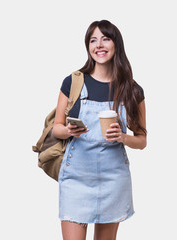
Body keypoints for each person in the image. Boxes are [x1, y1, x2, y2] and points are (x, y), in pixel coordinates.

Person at [53, 20, 147, 240]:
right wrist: (68, 131)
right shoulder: (73, 82)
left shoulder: (132, 89)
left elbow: (142, 140)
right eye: (93, 40)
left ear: (116, 44)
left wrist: (123, 137)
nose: (99, 45)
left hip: (113, 178)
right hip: (76, 177)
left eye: (105, 38)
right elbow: (56, 129)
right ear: (88, 46)